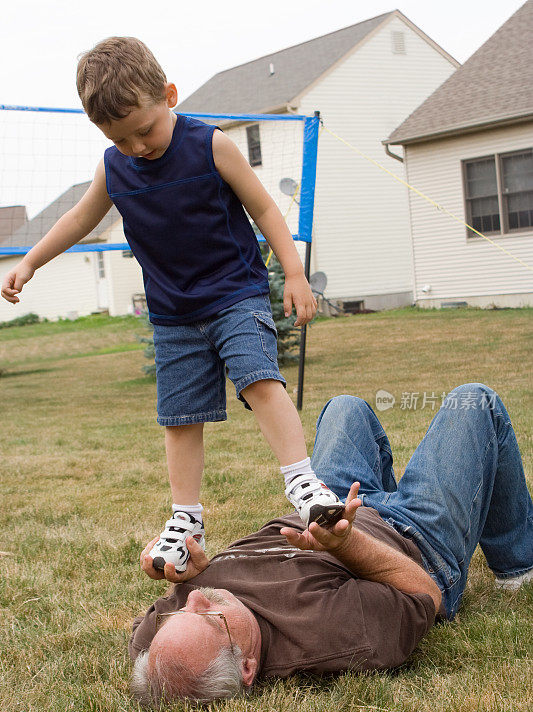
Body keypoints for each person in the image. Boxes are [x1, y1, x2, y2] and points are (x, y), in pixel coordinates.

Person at [0, 37, 344, 571]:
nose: (137, 146)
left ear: (169, 96)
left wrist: (294, 272)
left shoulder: (211, 146)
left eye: (145, 130)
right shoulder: (113, 168)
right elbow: (77, 221)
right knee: (179, 417)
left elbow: (265, 209)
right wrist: (29, 262)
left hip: (235, 294)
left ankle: (302, 482)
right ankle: (185, 517)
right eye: (120, 138)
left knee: (258, 378)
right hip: (174, 314)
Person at [129, 383, 533, 706]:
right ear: (248, 667)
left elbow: (153, 630)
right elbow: (424, 593)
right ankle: (518, 564)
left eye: (181, 611)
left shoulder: (166, 650)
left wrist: (177, 576)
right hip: (412, 536)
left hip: (328, 507)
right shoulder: (329, 635)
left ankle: (377, 493)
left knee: (343, 407)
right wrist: (344, 543)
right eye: (211, 617)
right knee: (474, 402)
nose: (197, 599)